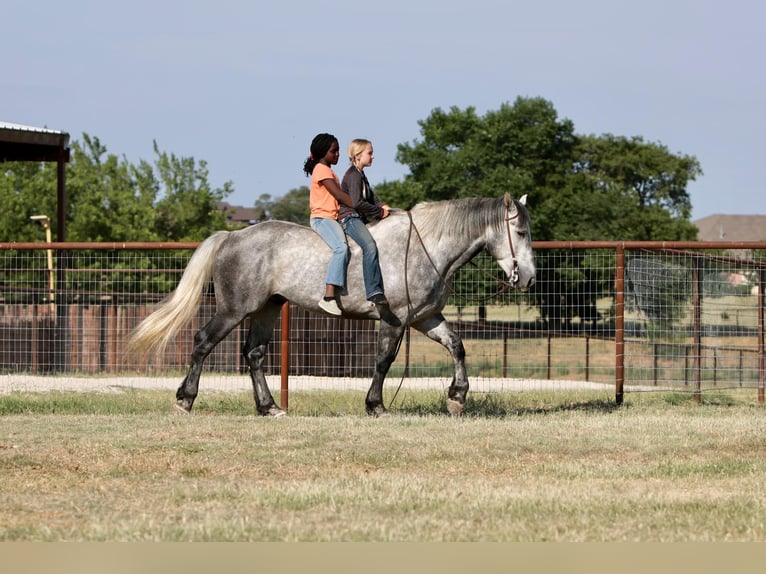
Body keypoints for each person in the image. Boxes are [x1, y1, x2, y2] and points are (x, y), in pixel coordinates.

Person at [303, 133, 354, 316]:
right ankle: (328, 296)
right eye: (334, 151)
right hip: (322, 218)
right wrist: (361, 206)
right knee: (341, 248)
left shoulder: (328, 170)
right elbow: (339, 196)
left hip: (332, 217)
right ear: (324, 152)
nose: (338, 154)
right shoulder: (322, 169)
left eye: (338, 150)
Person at [340, 139, 390, 307]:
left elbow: (371, 197)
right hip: (349, 218)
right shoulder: (354, 176)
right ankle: (373, 291)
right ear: (357, 156)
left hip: (358, 217)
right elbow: (357, 203)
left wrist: (381, 205)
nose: (373, 156)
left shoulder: (361, 175)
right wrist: (379, 212)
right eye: (370, 153)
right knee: (369, 246)